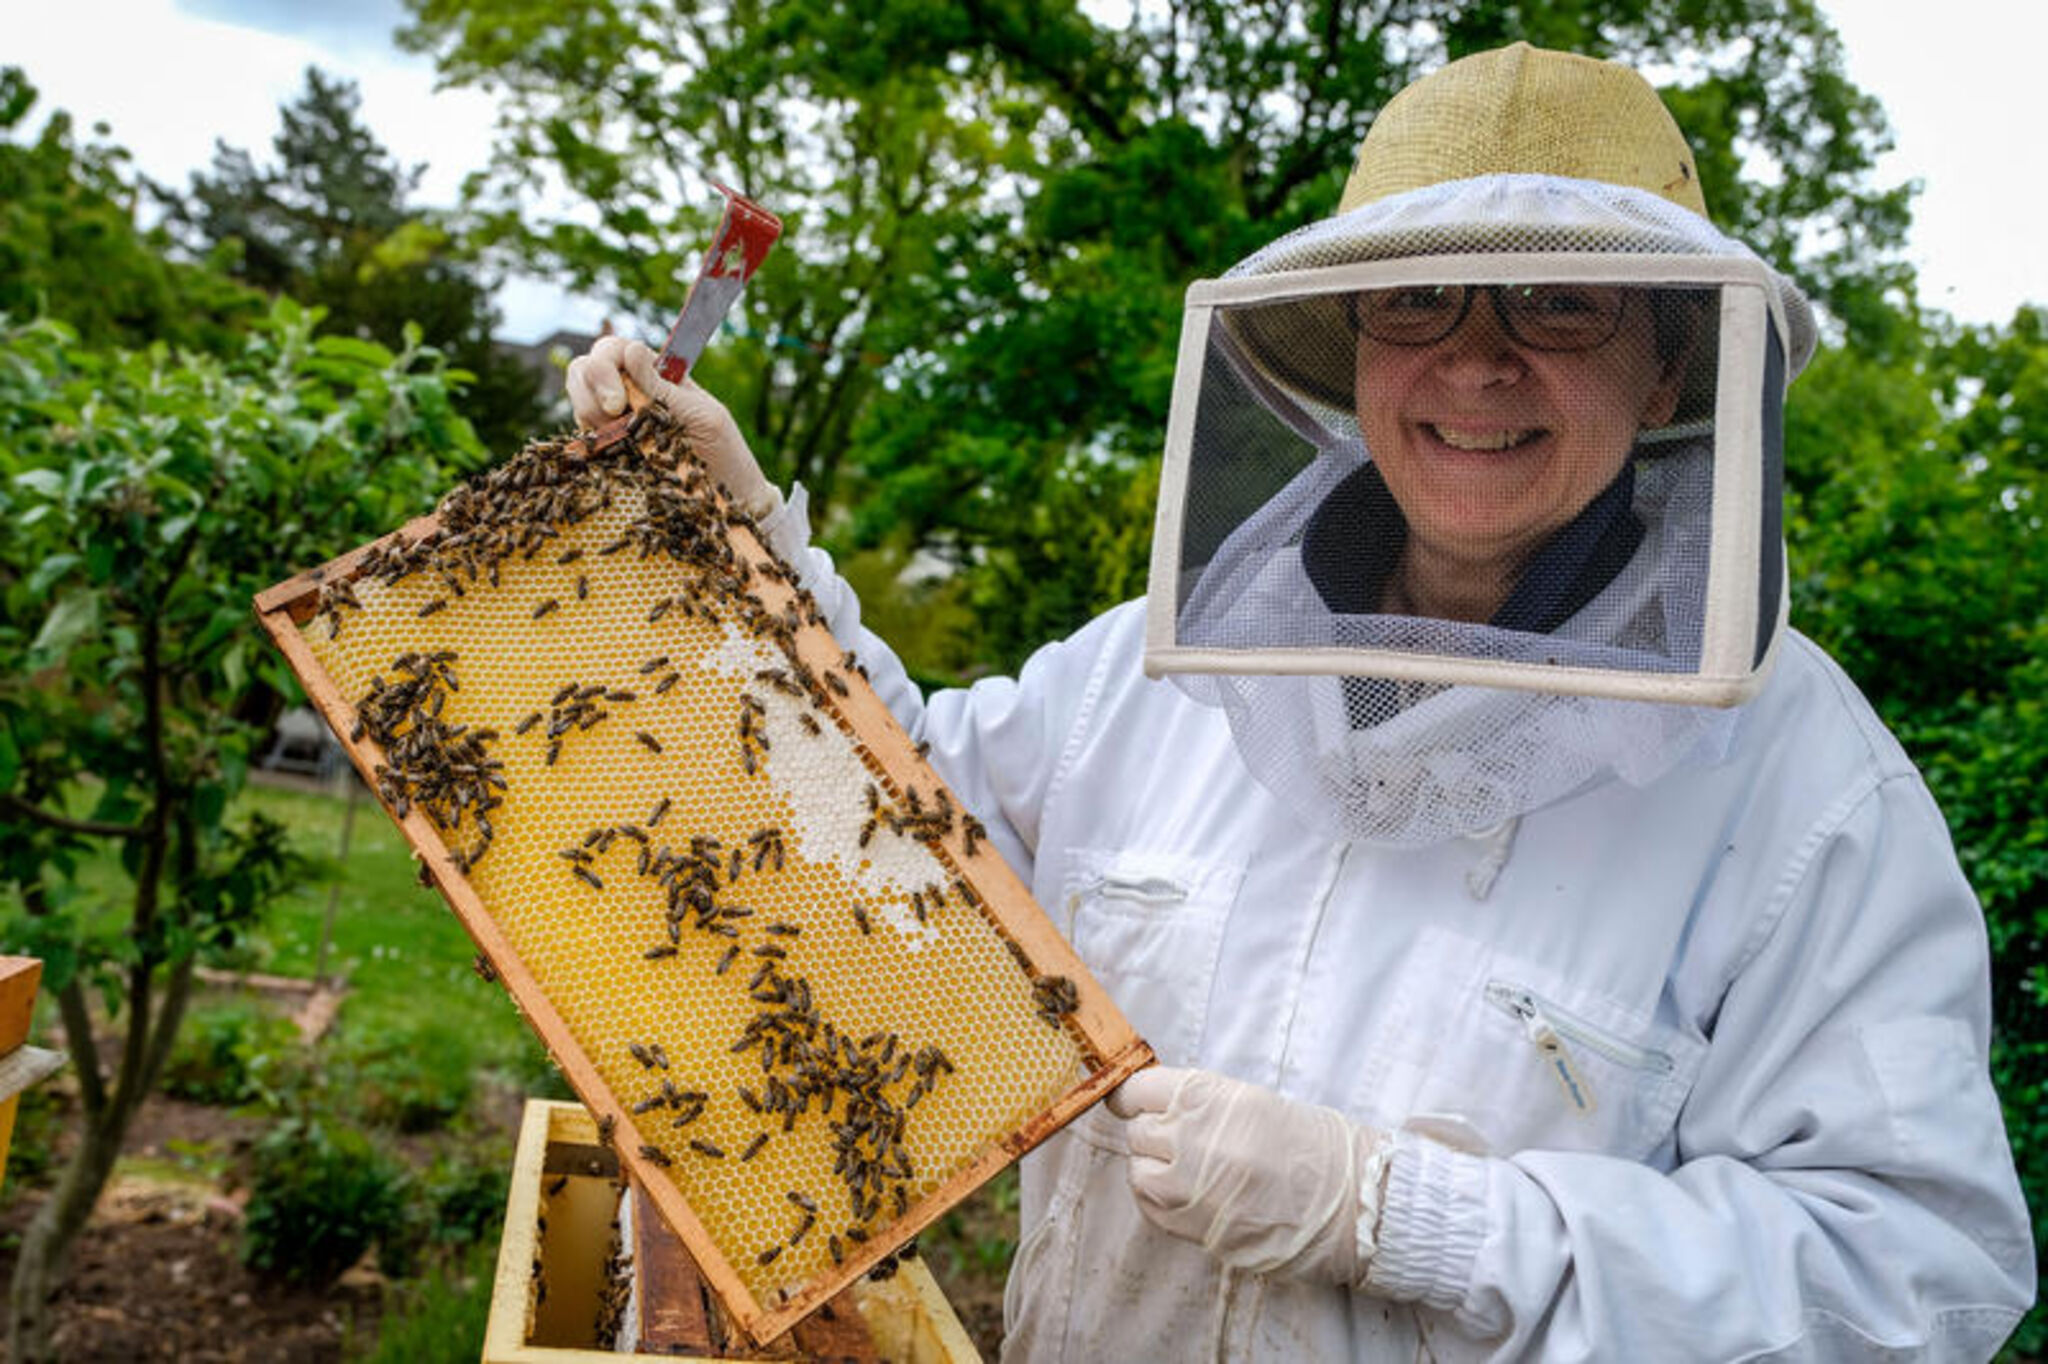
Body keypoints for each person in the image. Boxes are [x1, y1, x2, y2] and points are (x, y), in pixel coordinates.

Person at [569, 42, 2034, 1362]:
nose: (1476, 353)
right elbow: (903, 834)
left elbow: (1911, 1280)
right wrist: (746, 543)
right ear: (1355, 344)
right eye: (1419, 296)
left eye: (1562, 301)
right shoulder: (1156, 670)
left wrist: (1403, 1216)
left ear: (1668, 369)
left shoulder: (1804, 792)